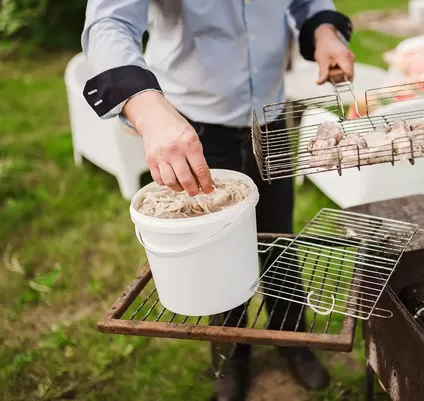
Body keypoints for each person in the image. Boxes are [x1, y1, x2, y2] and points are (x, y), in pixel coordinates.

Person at [81, 1, 355, 400]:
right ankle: (231, 355)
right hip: (191, 124)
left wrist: (324, 32)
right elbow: (109, 21)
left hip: (270, 114)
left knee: (280, 238)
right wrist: (147, 107)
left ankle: (294, 340)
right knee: (215, 254)